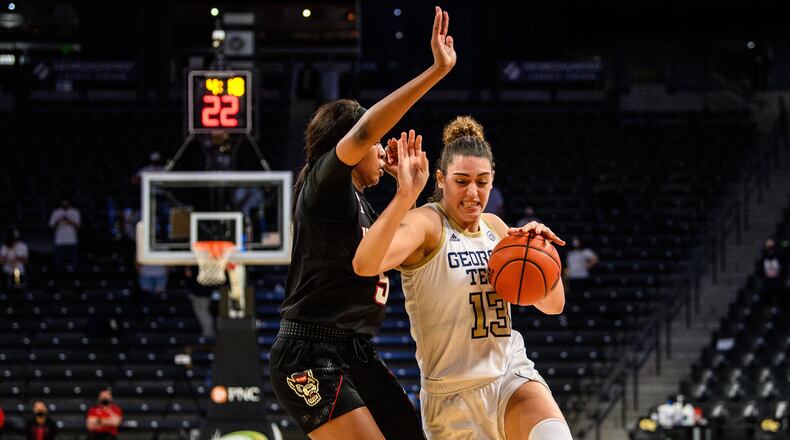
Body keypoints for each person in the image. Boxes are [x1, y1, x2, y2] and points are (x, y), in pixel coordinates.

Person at [268, 7, 456, 440]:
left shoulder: (364, 206)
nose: (382, 149)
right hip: (309, 352)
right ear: (349, 148)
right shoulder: (323, 184)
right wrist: (435, 72)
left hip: (353, 350)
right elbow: (367, 130)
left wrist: (406, 191)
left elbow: (413, 237)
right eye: (372, 146)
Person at [352, 117, 573, 439]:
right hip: (451, 398)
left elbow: (553, 306)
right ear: (441, 179)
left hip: (510, 374)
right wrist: (404, 194)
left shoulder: (496, 228)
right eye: (462, 181)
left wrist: (542, 256)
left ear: (493, 180)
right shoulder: (426, 224)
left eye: (482, 182)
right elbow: (366, 264)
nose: (473, 193)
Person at [48, 197, 80, 271]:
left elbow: (78, 226)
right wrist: (59, 220)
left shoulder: (75, 212)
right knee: (58, 262)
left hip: (72, 240)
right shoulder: (56, 212)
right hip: (59, 240)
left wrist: (68, 220)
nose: (65, 203)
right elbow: (51, 226)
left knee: (74, 262)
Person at [761, 238, 784, 308]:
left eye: (771, 247)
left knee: (778, 293)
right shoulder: (764, 258)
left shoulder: (779, 257)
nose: (770, 249)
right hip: (768, 280)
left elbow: (782, 268)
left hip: (777, 280)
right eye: (768, 247)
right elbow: (762, 269)